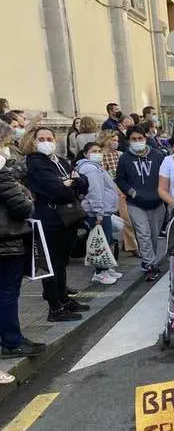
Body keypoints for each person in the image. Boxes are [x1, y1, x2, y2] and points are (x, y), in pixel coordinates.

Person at [25, 127, 91, 322]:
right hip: (49, 219)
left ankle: (64, 298)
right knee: (51, 265)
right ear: (34, 141)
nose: (46, 142)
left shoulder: (60, 161)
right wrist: (69, 184)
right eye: (41, 139)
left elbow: (84, 182)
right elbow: (55, 190)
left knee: (62, 262)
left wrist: (70, 183)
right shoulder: (36, 162)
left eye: (49, 138)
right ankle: (55, 307)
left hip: (67, 218)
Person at [0, 144, 46, 359]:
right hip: (8, 242)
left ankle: (9, 338)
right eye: (5, 143)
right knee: (8, 292)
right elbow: (23, 207)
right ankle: (12, 341)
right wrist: (28, 198)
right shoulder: (3, 176)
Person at [116, 126, 165, 281]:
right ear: (129, 141)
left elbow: (165, 176)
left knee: (154, 235)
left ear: (145, 139)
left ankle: (150, 260)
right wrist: (133, 193)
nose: (137, 142)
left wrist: (162, 193)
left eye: (140, 139)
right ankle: (150, 264)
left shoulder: (157, 156)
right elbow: (120, 179)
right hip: (136, 203)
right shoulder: (125, 158)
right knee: (143, 234)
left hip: (157, 202)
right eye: (134, 139)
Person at [76, 141, 122, 285]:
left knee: (106, 240)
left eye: (99, 151)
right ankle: (99, 272)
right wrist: (98, 212)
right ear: (85, 154)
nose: (97, 154)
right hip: (97, 212)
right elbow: (95, 192)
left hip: (104, 210)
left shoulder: (96, 167)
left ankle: (106, 268)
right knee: (100, 242)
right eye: (93, 151)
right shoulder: (90, 169)